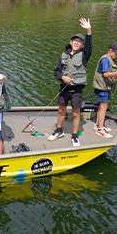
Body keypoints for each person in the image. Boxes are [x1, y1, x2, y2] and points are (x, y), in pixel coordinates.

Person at [49, 18, 92, 147]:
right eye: (75, 41)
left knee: (75, 113)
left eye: (79, 42)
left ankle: (74, 135)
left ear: (82, 45)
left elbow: (90, 46)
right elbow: (56, 72)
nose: (77, 43)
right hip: (64, 88)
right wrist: (62, 77)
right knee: (61, 109)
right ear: (71, 42)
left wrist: (88, 31)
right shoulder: (63, 55)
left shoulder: (84, 55)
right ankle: (59, 130)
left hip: (77, 90)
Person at [92, 41, 117, 138]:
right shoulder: (105, 59)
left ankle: (98, 125)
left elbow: (111, 71)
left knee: (102, 106)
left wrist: (116, 75)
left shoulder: (112, 59)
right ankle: (100, 130)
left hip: (106, 87)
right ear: (111, 51)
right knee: (103, 107)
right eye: (116, 53)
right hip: (102, 87)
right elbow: (105, 74)